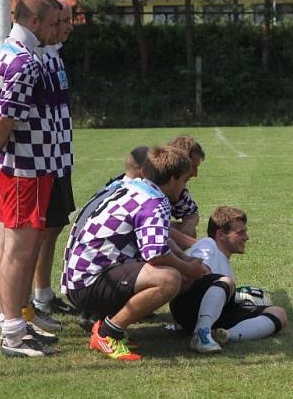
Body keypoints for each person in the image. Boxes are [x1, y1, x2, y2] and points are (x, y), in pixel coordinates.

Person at [0, 0, 61, 357]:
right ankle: (12, 333)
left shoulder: (14, 54)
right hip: (26, 167)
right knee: (17, 251)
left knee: (11, 247)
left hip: (27, 166)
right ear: (33, 21)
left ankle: (14, 325)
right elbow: (5, 116)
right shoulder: (22, 60)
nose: (56, 30)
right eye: (52, 23)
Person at [62, 145, 206, 361]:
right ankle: (108, 333)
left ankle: (102, 322)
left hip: (79, 279)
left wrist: (186, 259)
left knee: (174, 270)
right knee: (169, 278)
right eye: (185, 180)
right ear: (173, 179)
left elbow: (162, 237)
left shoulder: (136, 187)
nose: (185, 186)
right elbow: (156, 254)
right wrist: (189, 268)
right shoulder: (155, 201)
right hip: (88, 284)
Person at [169, 206, 288, 353]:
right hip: (187, 306)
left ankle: (225, 335)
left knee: (278, 313)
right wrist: (227, 286)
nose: (246, 237)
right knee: (225, 282)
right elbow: (199, 271)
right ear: (220, 235)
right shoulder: (208, 244)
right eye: (240, 233)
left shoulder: (225, 265)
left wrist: (240, 296)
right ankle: (201, 335)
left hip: (217, 314)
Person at [61, 145, 149, 332]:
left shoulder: (113, 186)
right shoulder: (135, 194)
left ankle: (96, 311)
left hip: (75, 277)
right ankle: (102, 316)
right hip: (90, 280)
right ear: (143, 172)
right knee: (161, 268)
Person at [32, 0, 77, 320]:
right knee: (37, 231)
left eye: (69, 20)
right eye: (62, 20)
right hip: (39, 161)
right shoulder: (34, 57)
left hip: (58, 157)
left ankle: (44, 294)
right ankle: (33, 301)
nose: (68, 26)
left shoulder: (54, 56)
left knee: (55, 226)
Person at [167, 135, 205, 249]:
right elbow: (154, 227)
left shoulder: (178, 189)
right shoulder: (150, 188)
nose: (195, 174)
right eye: (193, 166)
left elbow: (192, 213)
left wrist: (186, 230)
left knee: (189, 232)